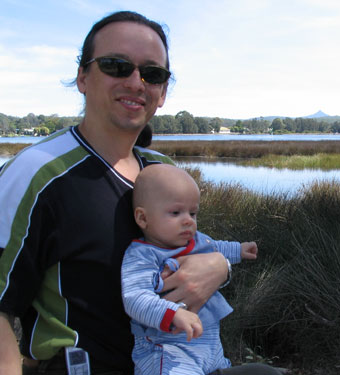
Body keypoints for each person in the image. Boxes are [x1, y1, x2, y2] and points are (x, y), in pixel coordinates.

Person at [0, 11, 230, 375]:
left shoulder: (159, 170)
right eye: (116, 65)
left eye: (152, 74)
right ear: (82, 77)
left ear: (163, 92)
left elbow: (190, 252)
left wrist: (221, 265)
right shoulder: (36, 173)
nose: (136, 82)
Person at [122, 164, 259, 374]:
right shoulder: (143, 255)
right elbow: (135, 298)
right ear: (143, 218)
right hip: (168, 350)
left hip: (211, 345)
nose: (188, 220)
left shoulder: (195, 240)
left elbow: (216, 247)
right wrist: (172, 313)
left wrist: (238, 250)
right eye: (176, 212)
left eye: (193, 213)